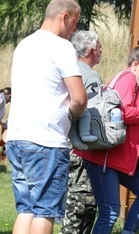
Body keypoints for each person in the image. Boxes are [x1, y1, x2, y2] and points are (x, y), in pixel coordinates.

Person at [6, 0, 86, 234]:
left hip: (17, 136)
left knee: (25, 209)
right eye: (75, 22)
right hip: (46, 139)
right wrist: (71, 115)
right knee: (45, 211)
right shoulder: (61, 47)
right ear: (65, 17)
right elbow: (79, 98)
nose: (75, 29)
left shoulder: (24, 44)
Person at [75, 37, 139, 234]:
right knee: (109, 212)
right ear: (135, 65)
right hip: (106, 159)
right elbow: (124, 112)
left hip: (122, 159)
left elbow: (135, 131)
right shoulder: (127, 78)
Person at [60, 30, 102, 234]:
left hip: (60, 143)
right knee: (82, 203)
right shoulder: (90, 76)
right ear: (92, 50)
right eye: (100, 47)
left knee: (69, 200)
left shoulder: (66, 70)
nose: (101, 51)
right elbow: (94, 112)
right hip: (80, 150)